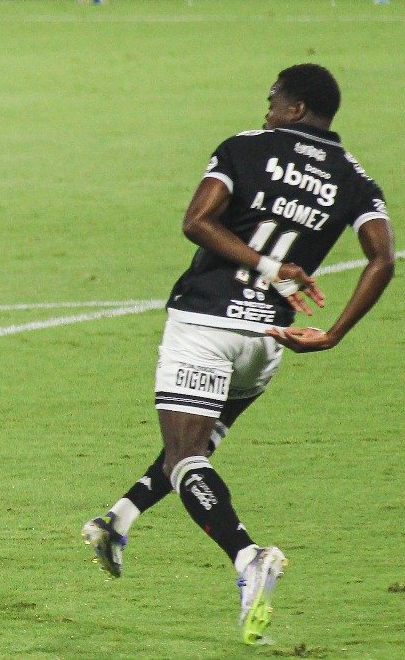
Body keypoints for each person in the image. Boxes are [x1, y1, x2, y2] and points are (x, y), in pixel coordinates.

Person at [80, 64, 395, 644]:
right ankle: (116, 521)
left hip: (205, 322)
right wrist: (333, 333)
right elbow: (382, 259)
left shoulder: (245, 148)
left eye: (274, 100)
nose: (267, 110)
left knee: (185, 458)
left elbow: (197, 222)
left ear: (295, 108)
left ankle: (248, 556)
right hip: (267, 341)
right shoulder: (355, 179)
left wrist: (269, 265)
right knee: (194, 446)